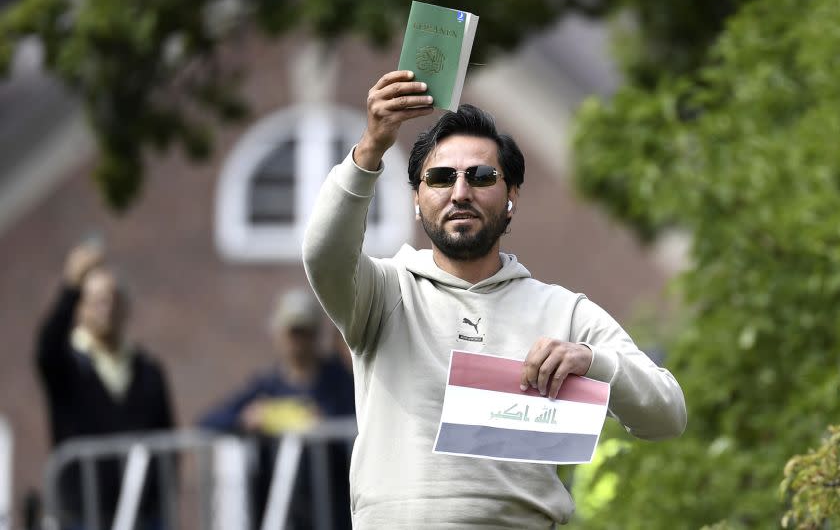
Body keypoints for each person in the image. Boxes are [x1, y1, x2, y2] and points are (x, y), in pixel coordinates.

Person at [301, 71, 687, 528]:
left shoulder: (562, 311)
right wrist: (369, 148)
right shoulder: (383, 292)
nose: (460, 191)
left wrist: (592, 361)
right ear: (416, 198)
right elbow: (323, 254)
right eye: (441, 177)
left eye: (481, 176)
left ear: (512, 197)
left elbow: (668, 414)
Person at [35, 242, 175, 530]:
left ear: (124, 307)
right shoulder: (68, 365)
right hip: (82, 515)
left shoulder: (148, 369)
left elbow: (167, 438)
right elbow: (46, 349)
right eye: (96, 300)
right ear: (80, 308)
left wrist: (158, 499)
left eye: (112, 299)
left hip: (142, 517)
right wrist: (70, 286)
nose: (106, 308)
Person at [198, 288, 355, 530]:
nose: (298, 340)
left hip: (333, 510)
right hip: (278, 509)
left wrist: (326, 423)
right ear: (278, 334)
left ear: (316, 334)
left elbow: (360, 420)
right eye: (292, 332)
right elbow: (208, 422)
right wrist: (247, 419)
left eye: (305, 332)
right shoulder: (266, 386)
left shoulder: (340, 381)